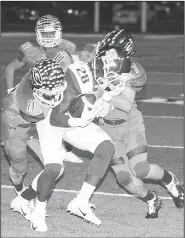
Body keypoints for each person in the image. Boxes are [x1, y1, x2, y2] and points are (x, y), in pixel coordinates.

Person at [10, 58, 115, 232]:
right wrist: (78, 120)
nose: (53, 95)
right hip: (50, 121)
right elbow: (53, 118)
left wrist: (101, 102)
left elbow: (101, 101)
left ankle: (80, 203)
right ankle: (38, 212)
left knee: (106, 148)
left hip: (70, 118)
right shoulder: (26, 95)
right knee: (54, 169)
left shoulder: (78, 76)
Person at [2, 14, 82, 197]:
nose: (47, 37)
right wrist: (9, 90)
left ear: (59, 33)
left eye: (51, 33)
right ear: (37, 33)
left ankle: (62, 147)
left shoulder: (66, 52)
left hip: (48, 101)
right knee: (20, 164)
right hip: (25, 106)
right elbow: (10, 68)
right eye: (43, 33)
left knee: (63, 116)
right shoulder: (30, 50)